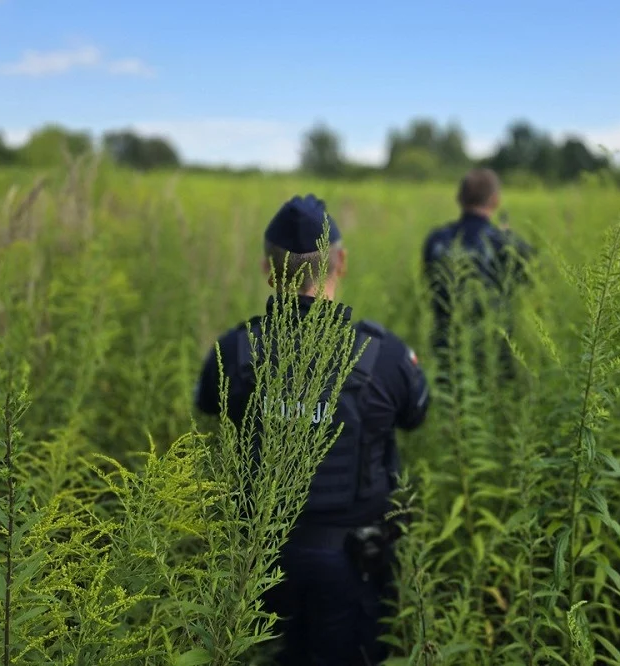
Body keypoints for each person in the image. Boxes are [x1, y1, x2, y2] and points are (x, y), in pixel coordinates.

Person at [193, 194, 431, 665]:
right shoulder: (383, 357)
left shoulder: (235, 351)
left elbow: (209, 409)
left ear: (267, 268)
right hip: (355, 565)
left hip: (259, 565)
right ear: (340, 262)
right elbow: (416, 415)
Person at [421, 167, 535, 381]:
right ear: (495, 200)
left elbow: (428, 286)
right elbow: (530, 283)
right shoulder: (506, 243)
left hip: (447, 352)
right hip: (492, 354)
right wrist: (507, 235)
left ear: (459, 198)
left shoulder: (436, 240)